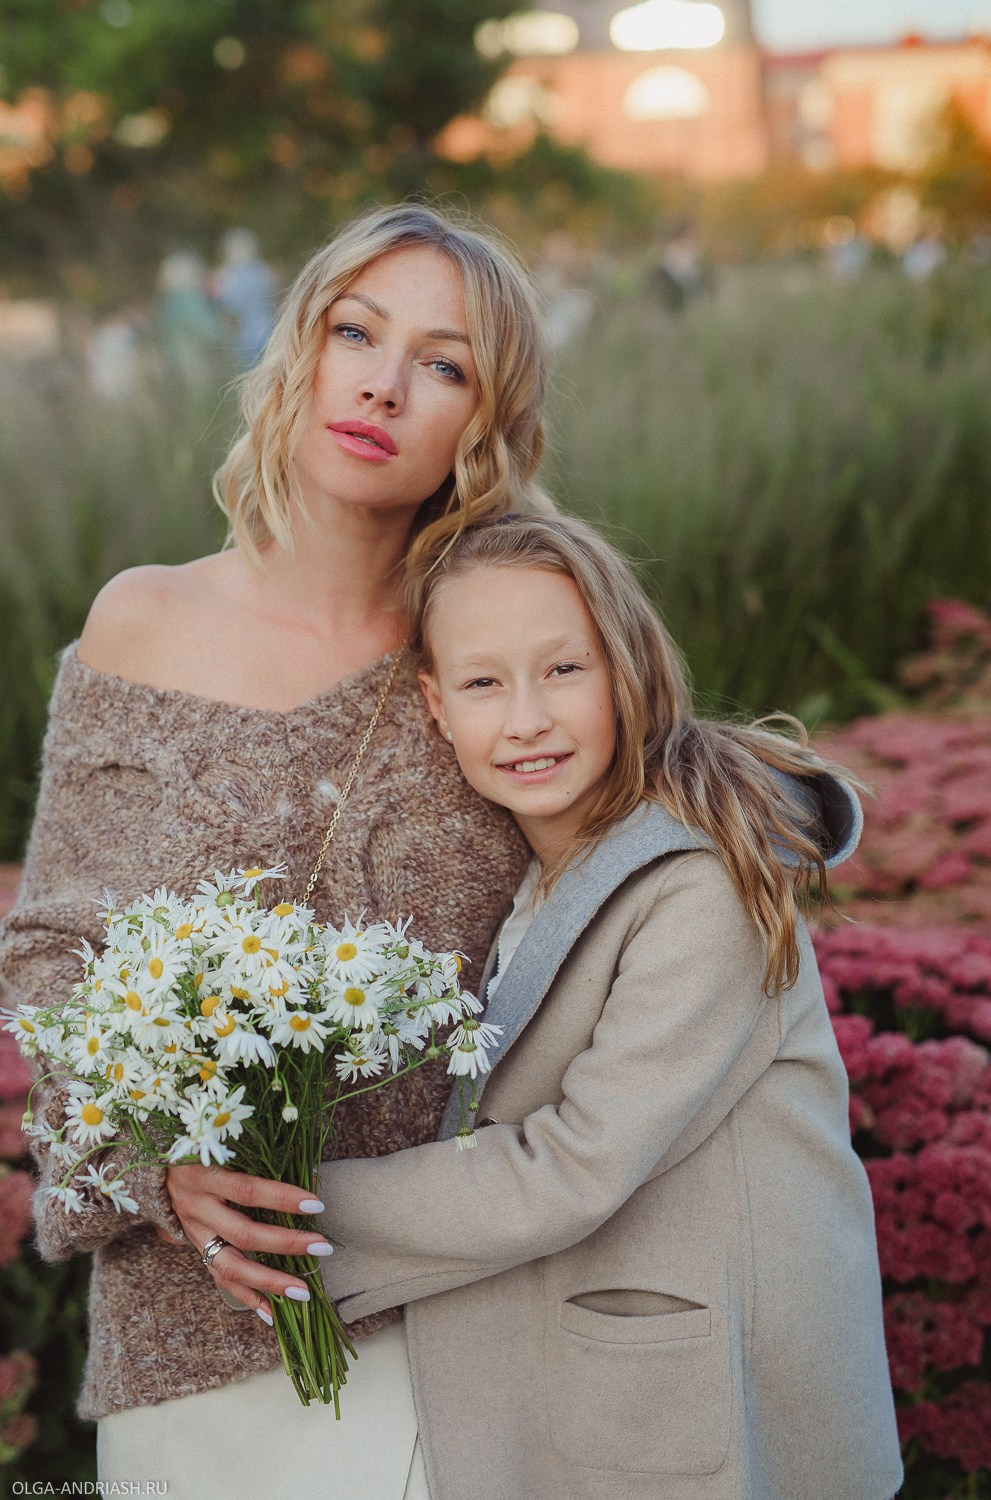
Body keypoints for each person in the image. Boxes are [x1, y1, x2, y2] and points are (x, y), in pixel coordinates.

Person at [0, 203, 552, 1497]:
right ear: (297, 354)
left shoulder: (489, 660)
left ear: (482, 423)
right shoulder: (144, 620)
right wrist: (157, 1165)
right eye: (354, 332)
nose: (380, 382)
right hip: (182, 1338)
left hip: (448, 1320)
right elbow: (49, 958)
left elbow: (610, 897)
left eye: (443, 363)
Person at [241, 513, 903, 1498]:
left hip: (717, 1407)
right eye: (481, 683)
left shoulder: (700, 885)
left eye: (563, 670)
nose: (525, 720)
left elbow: (574, 1165)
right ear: (435, 704)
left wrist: (286, 1203)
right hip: (609, 1389)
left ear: (628, 668)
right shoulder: (532, 874)